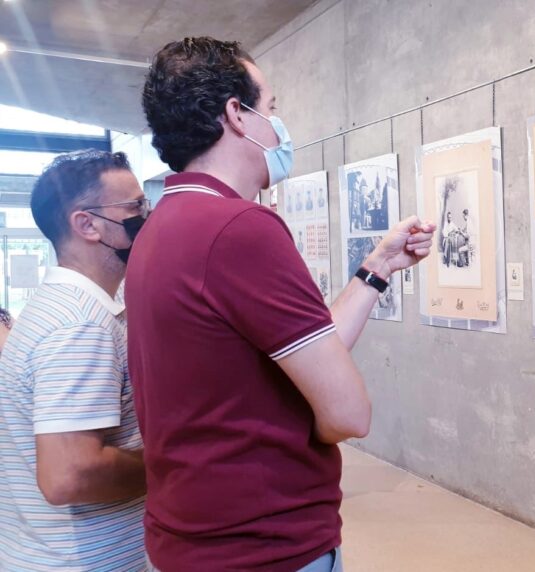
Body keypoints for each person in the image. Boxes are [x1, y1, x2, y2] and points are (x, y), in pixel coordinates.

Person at [134, 37, 435, 572]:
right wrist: (312, 418)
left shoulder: (164, 226)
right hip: (264, 546)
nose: (279, 126)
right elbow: (349, 412)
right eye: (270, 108)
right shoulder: (239, 227)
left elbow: (312, 350)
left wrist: (378, 267)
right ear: (237, 115)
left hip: (192, 539)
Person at [0, 150, 148, 570]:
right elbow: (69, 474)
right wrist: (177, 463)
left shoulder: (67, 308)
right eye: (135, 207)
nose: (146, 217)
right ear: (87, 224)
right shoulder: (79, 325)